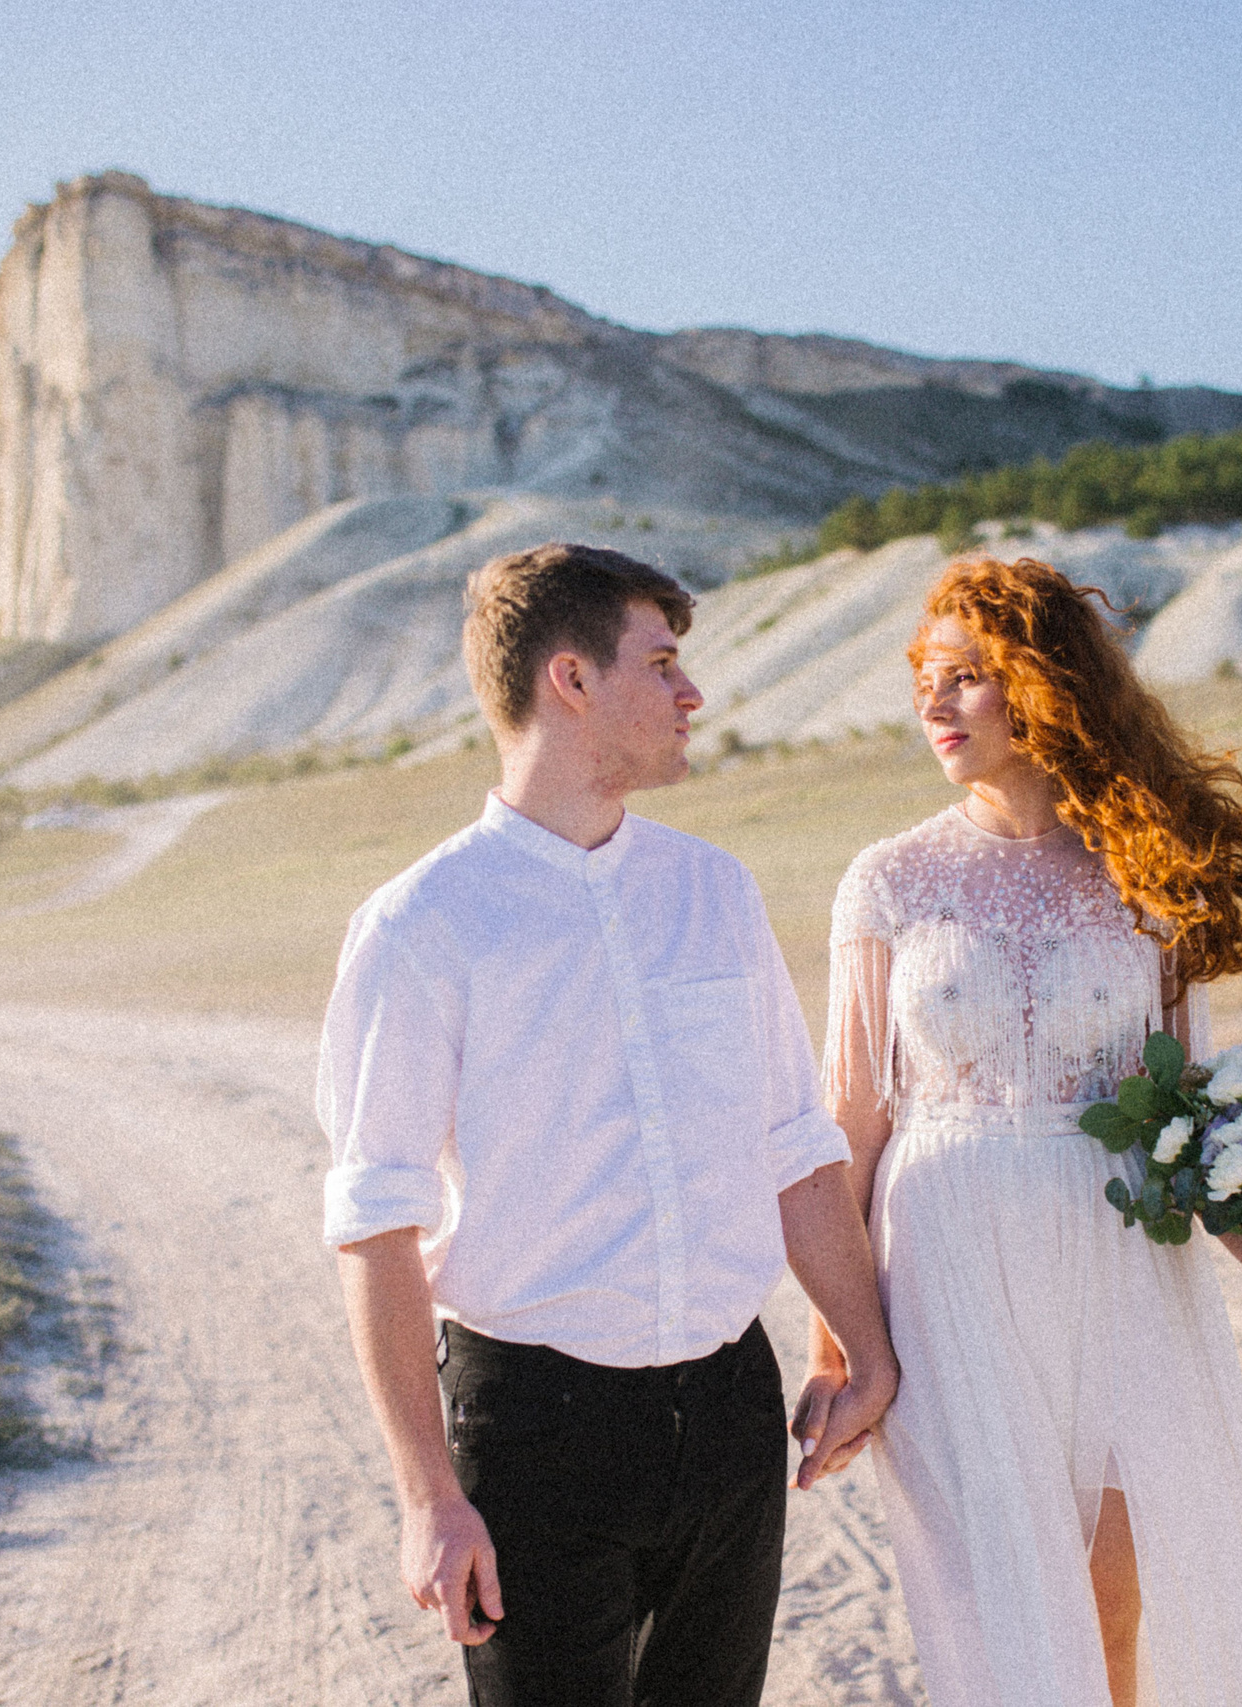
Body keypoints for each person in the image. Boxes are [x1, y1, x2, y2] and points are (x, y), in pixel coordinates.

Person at [318, 542, 898, 1707]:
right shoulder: (421, 924)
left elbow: (794, 1148)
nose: (693, 694)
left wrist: (866, 1350)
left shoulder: (714, 891)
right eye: (663, 664)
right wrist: (428, 1495)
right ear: (571, 679)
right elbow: (376, 1224)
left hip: (730, 1417)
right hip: (535, 1436)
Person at [806, 555, 1242, 1707]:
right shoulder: (888, 882)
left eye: (967, 675)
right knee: (1000, 1599)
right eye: (925, 675)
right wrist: (837, 1346)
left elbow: (1191, 1108)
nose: (934, 699)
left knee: (1112, 1593)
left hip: (1117, 1260)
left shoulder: (1146, 874)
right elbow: (849, 1122)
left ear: (1044, 684)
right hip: (945, 1263)